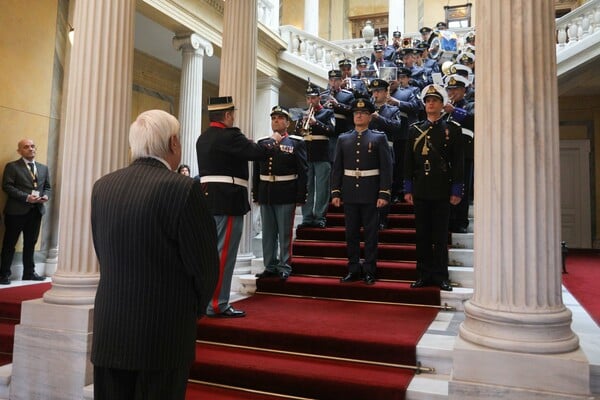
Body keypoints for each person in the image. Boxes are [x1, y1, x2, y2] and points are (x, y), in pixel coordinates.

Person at [90, 109, 219, 400]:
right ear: (174, 143)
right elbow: (204, 267)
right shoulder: (183, 189)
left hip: (110, 328)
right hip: (164, 334)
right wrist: (193, 309)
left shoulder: (102, 187)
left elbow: (102, 251)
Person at [196, 96, 280, 318]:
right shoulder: (231, 135)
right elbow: (259, 153)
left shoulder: (203, 138)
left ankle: (205, 301)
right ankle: (217, 303)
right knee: (224, 254)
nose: (233, 117)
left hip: (208, 199)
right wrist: (272, 139)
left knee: (210, 253)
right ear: (227, 115)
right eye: (232, 113)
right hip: (228, 199)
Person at [403, 84, 464, 292]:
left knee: (439, 235)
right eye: (428, 100)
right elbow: (408, 162)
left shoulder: (452, 129)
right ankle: (422, 274)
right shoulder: (414, 129)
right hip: (421, 188)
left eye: (435, 100)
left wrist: (457, 189)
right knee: (422, 235)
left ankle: (440, 276)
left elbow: (458, 162)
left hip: (442, 189)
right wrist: (408, 188)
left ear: (442, 104)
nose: (431, 103)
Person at [331, 98, 393, 285]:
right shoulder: (343, 138)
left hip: (371, 193)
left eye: (364, 113)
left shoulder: (378, 137)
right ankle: (353, 269)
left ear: (370, 116)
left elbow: (386, 167)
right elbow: (337, 168)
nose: (359, 115)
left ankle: (370, 270)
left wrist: (384, 193)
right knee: (351, 234)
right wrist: (335, 192)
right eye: (356, 113)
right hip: (349, 192)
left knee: (371, 234)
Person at [253, 106, 308, 281]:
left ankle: (284, 265)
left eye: (280, 118)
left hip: (286, 193)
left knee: (284, 232)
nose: (276, 120)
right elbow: (256, 171)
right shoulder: (262, 143)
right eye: (274, 118)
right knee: (268, 232)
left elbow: (303, 171)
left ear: (287, 122)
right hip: (266, 193)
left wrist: (301, 195)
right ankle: (270, 265)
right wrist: (256, 193)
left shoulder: (296, 143)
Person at [0, 139, 51, 285]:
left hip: (36, 211)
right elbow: (7, 186)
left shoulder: (43, 168)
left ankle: (29, 273)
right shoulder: (12, 167)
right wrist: (27, 197)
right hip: (16, 211)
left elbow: (47, 186)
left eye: (33, 146)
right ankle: (4, 274)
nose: (30, 149)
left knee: (31, 243)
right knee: (10, 244)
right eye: (26, 147)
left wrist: (46, 195)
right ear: (19, 151)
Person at [296, 83, 335, 229]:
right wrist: (302, 122)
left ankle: (319, 216)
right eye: (308, 98)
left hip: (322, 154)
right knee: (307, 187)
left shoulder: (327, 113)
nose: (310, 101)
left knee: (322, 187)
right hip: (307, 154)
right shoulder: (304, 113)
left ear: (319, 97)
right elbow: (300, 132)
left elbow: (331, 130)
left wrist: (316, 122)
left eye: (313, 97)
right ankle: (307, 216)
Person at [368, 79, 402, 229]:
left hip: (387, 150)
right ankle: (369, 218)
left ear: (386, 92)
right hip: (368, 150)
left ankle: (382, 218)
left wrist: (378, 118)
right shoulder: (367, 109)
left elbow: (396, 127)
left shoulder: (392, 110)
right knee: (369, 185)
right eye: (373, 92)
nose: (375, 94)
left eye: (378, 91)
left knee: (385, 185)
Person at [443, 74, 475, 233]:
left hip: (464, 152)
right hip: (446, 153)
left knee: (461, 187)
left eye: (455, 89)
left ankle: (461, 222)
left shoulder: (470, 104)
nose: (452, 92)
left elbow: (473, 119)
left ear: (463, 90)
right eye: (449, 89)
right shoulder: (445, 107)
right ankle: (447, 220)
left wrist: (454, 110)